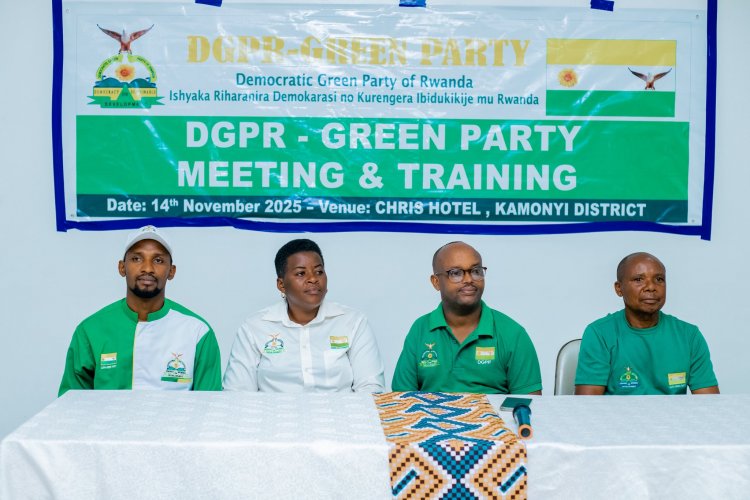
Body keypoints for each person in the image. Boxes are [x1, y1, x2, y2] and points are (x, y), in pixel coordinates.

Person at [58, 226, 222, 395]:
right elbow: (70, 403)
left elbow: (210, 405)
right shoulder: (90, 330)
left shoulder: (198, 332)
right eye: (136, 259)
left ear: (171, 271)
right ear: (122, 267)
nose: (147, 268)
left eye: (158, 260)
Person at [223, 239, 385, 392]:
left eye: (319, 272)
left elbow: (370, 388)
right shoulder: (255, 327)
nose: (313, 279)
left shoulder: (353, 322)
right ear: (281, 284)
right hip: (274, 413)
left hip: (340, 412)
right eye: (301, 273)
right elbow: (237, 393)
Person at [392, 241, 542, 394]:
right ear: (436, 282)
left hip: (494, 411)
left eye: (476, 271)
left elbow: (530, 403)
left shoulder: (512, 333)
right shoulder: (420, 330)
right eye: (456, 273)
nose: (469, 279)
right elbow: (401, 398)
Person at [575, 252, 719, 395]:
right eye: (638, 279)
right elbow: (588, 405)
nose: (651, 287)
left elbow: (709, 403)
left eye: (659, 279)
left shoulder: (689, 335)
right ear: (619, 288)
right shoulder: (599, 334)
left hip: (672, 411)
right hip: (618, 412)